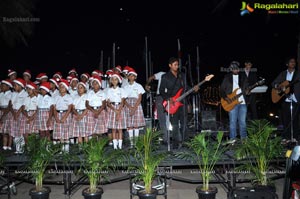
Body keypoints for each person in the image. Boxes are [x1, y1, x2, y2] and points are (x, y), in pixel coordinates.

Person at [159, 57, 199, 149]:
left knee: (184, 123)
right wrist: (169, 98)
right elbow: (161, 90)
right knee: (175, 124)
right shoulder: (165, 76)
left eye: (178, 64)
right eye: (175, 65)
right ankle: (175, 144)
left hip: (183, 102)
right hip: (172, 103)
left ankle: (185, 143)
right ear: (170, 65)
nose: (177, 66)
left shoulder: (182, 75)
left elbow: (186, 88)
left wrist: (194, 90)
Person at [271, 57, 300, 143]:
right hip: (285, 98)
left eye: (294, 62)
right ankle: (286, 137)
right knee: (285, 119)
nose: (293, 63)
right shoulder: (283, 74)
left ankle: (295, 137)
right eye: (291, 62)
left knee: (295, 119)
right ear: (287, 64)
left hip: (296, 98)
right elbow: (273, 83)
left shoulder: (298, 74)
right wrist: (278, 86)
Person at [220, 61, 249, 143]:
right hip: (231, 102)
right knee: (232, 123)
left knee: (242, 123)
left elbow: (247, 88)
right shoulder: (227, 77)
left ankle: (244, 140)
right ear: (231, 69)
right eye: (233, 68)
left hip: (242, 102)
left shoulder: (243, 77)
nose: (235, 70)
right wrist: (226, 98)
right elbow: (222, 90)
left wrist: (248, 91)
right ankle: (233, 140)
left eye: (237, 68)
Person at [124, 68, 146, 147]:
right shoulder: (125, 87)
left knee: (136, 125)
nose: (131, 77)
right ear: (128, 77)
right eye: (130, 76)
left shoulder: (138, 86)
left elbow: (140, 98)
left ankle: (136, 143)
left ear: (135, 77)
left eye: (133, 76)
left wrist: (134, 108)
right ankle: (131, 143)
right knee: (130, 125)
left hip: (136, 104)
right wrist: (130, 107)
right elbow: (124, 99)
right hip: (128, 105)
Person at [106, 73, 127, 149]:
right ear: (111, 81)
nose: (114, 81)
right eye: (113, 79)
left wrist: (118, 111)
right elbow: (108, 102)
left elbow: (123, 101)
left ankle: (120, 146)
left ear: (118, 81)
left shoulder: (122, 90)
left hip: (120, 108)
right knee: (113, 128)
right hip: (112, 109)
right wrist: (114, 109)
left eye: (116, 79)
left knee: (120, 129)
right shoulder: (109, 91)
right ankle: (115, 147)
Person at [145, 71, 167, 143]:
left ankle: (173, 136)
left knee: (170, 117)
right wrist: (147, 85)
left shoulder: (176, 76)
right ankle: (165, 138)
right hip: (160, 97)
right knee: (161, 117)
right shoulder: (162, 74)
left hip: (171, 97)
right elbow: (151, 77)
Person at [52, 79, 73, 152]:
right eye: (60, 86)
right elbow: (54, 108)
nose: (61, 88)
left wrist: (64, 117)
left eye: (63, 87)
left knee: (65, 131)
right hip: (58, 114)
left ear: (66, 88)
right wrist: (56, 117)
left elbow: (70, 108)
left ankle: (66, 150)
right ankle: (61, 149)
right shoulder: (56, 97)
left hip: (66, 114)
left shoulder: (69, 97)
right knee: (59, 132)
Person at [10, 78, 28, 154]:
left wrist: (18, 113)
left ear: (21, 86)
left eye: (16, 85)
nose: (14, 87)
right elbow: (10, 104)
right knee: (15, 131)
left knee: (21, 131)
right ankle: (18, 149)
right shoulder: (13, 93)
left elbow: (23, 105)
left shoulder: (25, 94)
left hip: (21, 114)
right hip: (14, 113)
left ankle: (22, 148)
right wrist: (13, 113)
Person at [0, 79, 14, 150]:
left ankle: (9, 146)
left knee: (9, 130)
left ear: (8, 87)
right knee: (3, 130)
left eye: (3, 85)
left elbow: (10, 105)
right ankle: (4, 146)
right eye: (1, 85)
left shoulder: (11, 94)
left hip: (8, 113)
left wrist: (3, 114)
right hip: (1, 111)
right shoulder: (1, 94)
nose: (1, 87)